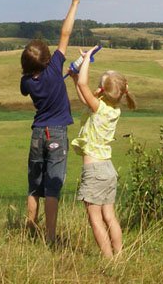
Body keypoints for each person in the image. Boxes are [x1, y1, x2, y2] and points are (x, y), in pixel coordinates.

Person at [20, 0, 83, 244]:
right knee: (52, 189)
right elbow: (65, 32)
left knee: (34, 187)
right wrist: (75, 1)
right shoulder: (55, 67)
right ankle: (50, 238)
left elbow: (32, 79)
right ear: (49, 60)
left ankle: (30, 230)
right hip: (56, 133)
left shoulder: (27, 82)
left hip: (37, 134)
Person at [69, 49, 136, 259]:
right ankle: (119, 255)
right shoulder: (112, 110)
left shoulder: (99, 108)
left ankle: (108, 260)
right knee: (110, 216)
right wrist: (75, 76)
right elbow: (84, 95)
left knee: (95, 218)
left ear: (101, 90)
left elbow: (83, 86)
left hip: (94, 170)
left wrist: (86, 60)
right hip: (107, 169)